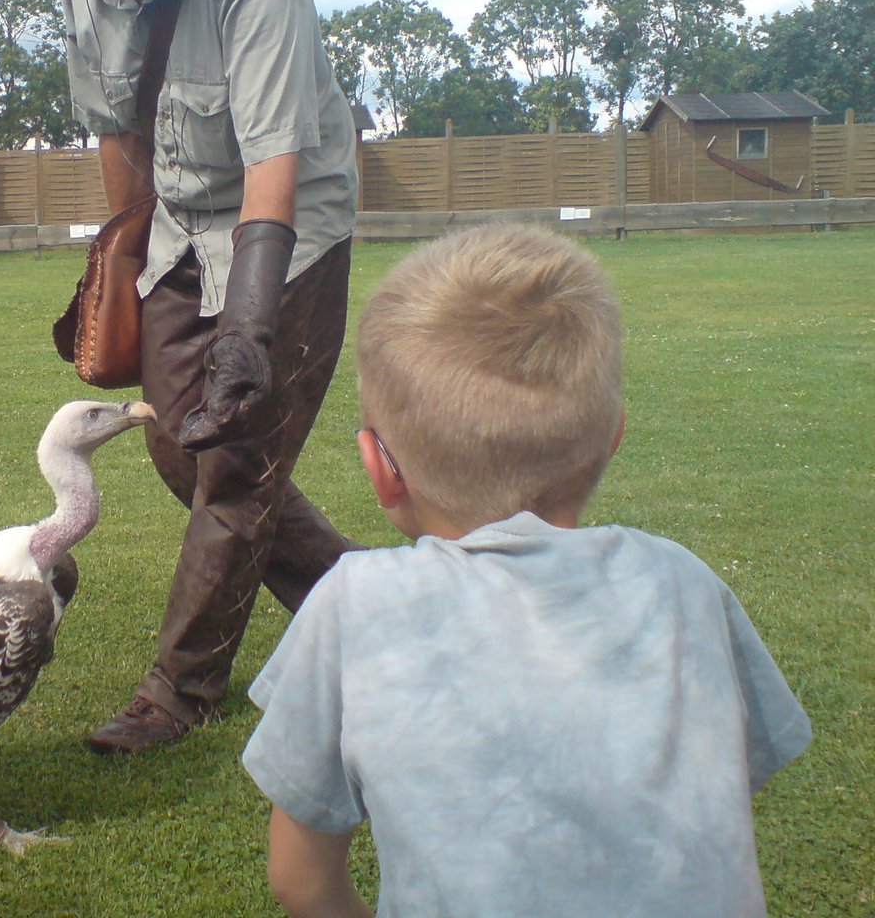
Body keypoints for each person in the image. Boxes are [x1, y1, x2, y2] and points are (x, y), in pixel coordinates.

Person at [241, 224, 813, 917]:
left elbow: (301, 880)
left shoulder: (355, 606)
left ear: (380, 470)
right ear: (614, 436)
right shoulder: (681, 584)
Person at [37, 0, 361, 753]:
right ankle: (374, 607)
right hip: (179, 224)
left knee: (235, 462)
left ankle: (178, 692)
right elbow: (111, 128)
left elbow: (275, 163)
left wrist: (249, 331)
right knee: (184, 454)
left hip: (289, 224)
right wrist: (129, 264)